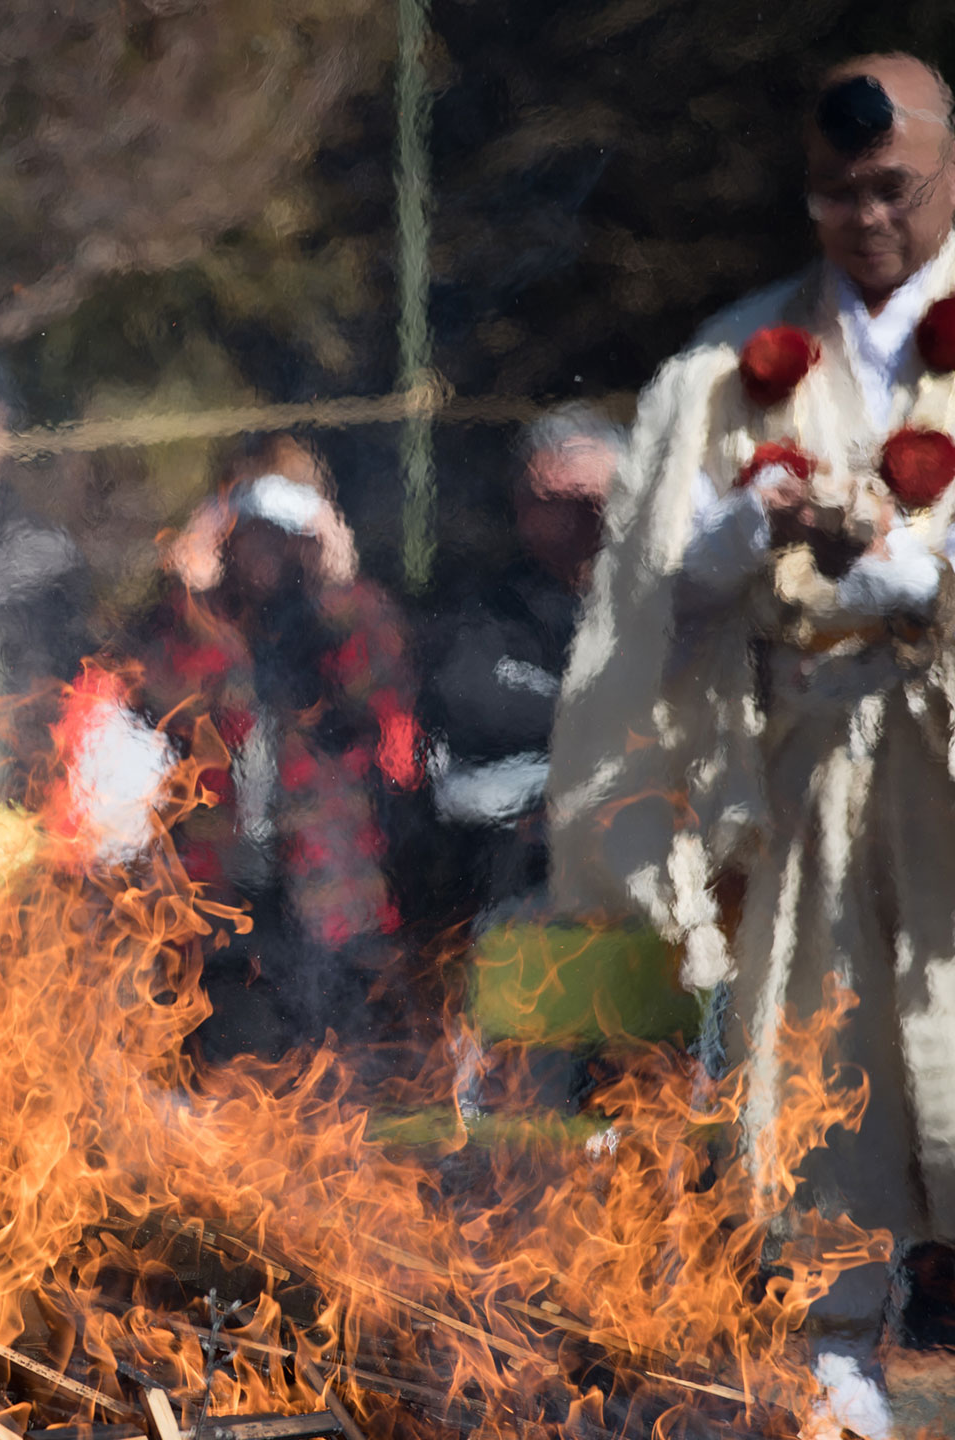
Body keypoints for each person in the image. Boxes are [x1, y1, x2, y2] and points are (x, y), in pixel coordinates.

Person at [547, 54, 955, 1432]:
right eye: (836, 194)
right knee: (822, 1091)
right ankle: (838, 1379)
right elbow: (647, 598)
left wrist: (911, 578)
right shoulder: (732, 361)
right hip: (803, 784)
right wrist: (737, 539)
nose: (865, 220)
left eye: (891, 188)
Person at [132, 437, 420, 1062]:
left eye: (282, 530)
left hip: (327, 897)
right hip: (220, 895)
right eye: (249, 529)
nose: (266, 548)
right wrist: (188, 590)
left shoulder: (348, 617)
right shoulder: (202, 625)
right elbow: (163, 702)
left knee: (336, 1087)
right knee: (236, 1089)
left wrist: (336, 583)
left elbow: (384, 714)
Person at [419, 406, 622, 922]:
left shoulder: (674, 598)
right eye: (553, 502)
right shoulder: (490, 606)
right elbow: (470, 698)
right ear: (522, 506)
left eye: (591, 501)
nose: (576, 521)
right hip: (517, 872)